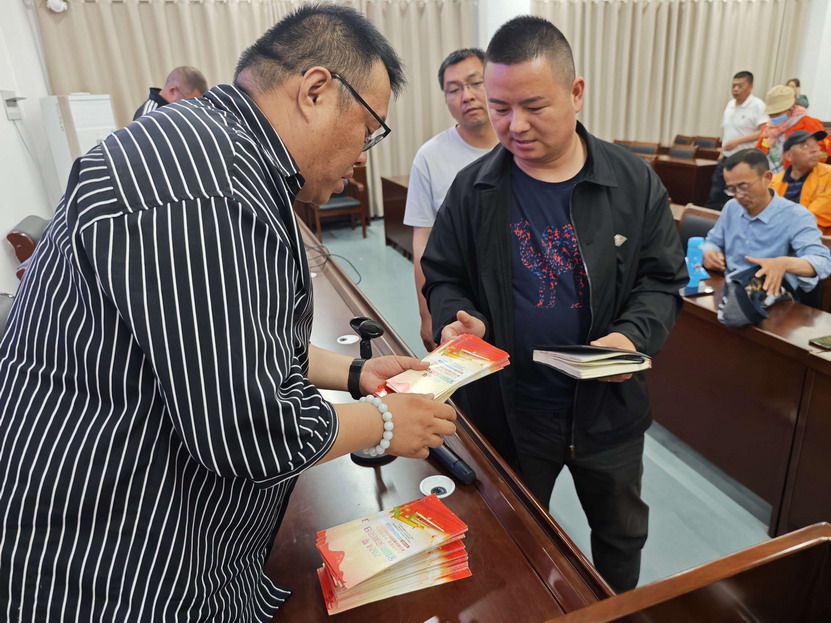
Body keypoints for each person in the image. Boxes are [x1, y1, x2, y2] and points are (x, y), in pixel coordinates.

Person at [0, 6, 457, 622]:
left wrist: (354, 374)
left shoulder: (220, 154)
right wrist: (380, 422)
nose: (362, 157)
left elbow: (238, 339)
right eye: (368, 129)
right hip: (115, 557)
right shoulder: (204, 186)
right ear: (316, 91)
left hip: (170, 530)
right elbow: (244, 427)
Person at [421, 16, 687, 593]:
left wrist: (631, 338)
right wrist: (452, 320)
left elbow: (662, 281)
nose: (514, 125)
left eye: (534, 106)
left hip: (607, 409)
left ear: (576, 92)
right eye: (500, 108)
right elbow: (443, 276)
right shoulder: (474, 188)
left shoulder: (633, 183)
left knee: (620, 536)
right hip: (509, 408)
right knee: (511, 540)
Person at [404, 48, 498, 352]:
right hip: (462, 299)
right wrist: (427, 315)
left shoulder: (520, 145)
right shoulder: (429, 157)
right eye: (454, 89)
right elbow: (423, 242)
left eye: (476, 83)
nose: (466, 96)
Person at [702, 149, 831, 297]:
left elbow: (822, 261)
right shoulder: (732, 207)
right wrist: (709, 252)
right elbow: (712, 241)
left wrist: (785, 264)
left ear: (767, 178)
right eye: (731, 189)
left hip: (771, 295)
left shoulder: (797, 216)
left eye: (743, 187)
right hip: (731, 289)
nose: (738, 195)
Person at [706, 71, 767, 210]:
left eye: (740, 86)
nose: (735, 89)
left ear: (750, 87)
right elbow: (727, 131)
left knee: (739, 197)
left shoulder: (758, 105)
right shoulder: (730, 105)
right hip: (726, 158)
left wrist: (738, 141)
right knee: (715, 193)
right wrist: (722, 153)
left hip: (746, 161)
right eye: (733, 86)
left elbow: (764, 132)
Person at [756, 85, 829, 175]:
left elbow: (822, 155)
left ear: (791, 107)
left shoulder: (810, 124)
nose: (774, 117)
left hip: (797, 177)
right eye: (771, 114)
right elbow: (760, 150)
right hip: (767, 176)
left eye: (777, 113)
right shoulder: (769, 128)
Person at [770, 130, 831, 234]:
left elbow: (817, 216)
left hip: (817, 238)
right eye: (805, 146)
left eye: (816, 145)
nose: (814, 150)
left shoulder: (828, 175)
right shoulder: (774, 183)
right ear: (789, 156)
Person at [132, 65, 208, 120]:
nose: (192, 108)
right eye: (189, 102)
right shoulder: (148, 116)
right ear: (172, 91)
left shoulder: (175, 111)